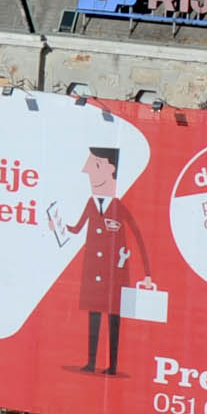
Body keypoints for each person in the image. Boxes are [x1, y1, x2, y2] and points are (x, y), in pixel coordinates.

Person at [59, 146, 158, 376]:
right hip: (93, 274)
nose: (87, 172)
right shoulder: (91, 204)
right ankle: (92, 362)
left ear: (111, 169)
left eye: (94, 166)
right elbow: (76, 228)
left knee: (114, 320)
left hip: (116, 276)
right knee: (93, 317)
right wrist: (59, 226)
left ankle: (112, 365)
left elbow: (138, 237)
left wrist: (148, 274)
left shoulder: (119, 206)